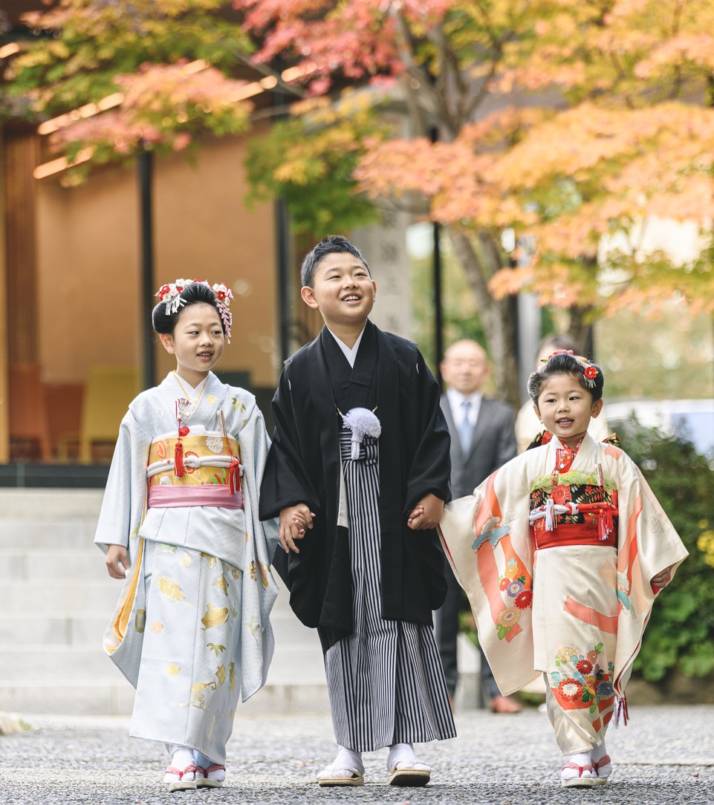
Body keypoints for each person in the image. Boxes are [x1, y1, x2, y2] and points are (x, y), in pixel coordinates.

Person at [439, 350, 687, 788]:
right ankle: (575, 752)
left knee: (599, 663)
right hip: (551, 576)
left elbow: (640, 515)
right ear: (537, 411)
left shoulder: (614, 463)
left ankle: (594, 744)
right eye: (551, 401)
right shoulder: (529, 464)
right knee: (561, 661)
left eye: (574, 398)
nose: (563, 408)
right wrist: (440, 516)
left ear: (596, 407)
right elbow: (484, 506)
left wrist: (655, 560)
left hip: (604, 574)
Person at [259, 235, 456, 788]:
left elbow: (431, 432)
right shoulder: (299, 369)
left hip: (395, 514)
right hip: (336, 519)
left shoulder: (403, 357)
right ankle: (348, 747)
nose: (349, 283)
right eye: (334, 276)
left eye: (358, 273)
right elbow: (288, 445)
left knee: (397, 623)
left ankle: (403, 744)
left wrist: (431, 491)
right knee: (344, 625)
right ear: (309, 294)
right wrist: (291, 502)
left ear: (373, 284)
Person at [95, 280, 278, 792]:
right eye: (193, 331)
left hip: (225, 537)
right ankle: (180, 748)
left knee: (218, 643)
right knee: (172, 643)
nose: (205, 341)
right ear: (168, 341)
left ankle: (210, 750)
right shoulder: (146, 407)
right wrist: (118, 538)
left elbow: (261, 475)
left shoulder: (240, 405)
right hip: (168, 538)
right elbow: (129, 474)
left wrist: (269, 534)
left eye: (214, 331)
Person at [437, 339, 521, 713]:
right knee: (444, 611)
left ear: (485, 370)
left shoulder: (501, 415)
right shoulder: (431, 410)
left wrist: (489, 511)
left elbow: (508, 468)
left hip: (488, 526)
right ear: (445, 369)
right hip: (441, 523)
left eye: (474, 363)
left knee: (491, 609)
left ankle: (496, 690)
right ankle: (445, 691)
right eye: (459, 362)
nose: (466, 369)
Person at [516, 335, 609, 453]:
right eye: (545, 364)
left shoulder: (590, 407)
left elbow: (603, 443)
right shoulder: (528, 412)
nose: (562, 407)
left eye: (573, 398)